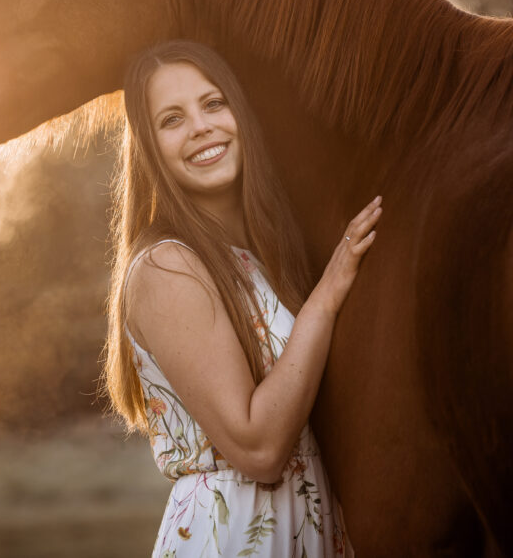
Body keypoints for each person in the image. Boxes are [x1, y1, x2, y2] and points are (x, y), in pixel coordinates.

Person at [101, 40, 380, 557]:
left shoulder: (266, 254)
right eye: (171, 119)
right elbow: (259, 448)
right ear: (149, 149)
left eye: (213, 103)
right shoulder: (167, 266)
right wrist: (329, 293)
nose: (201, 127)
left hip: (310, 529)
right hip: (232, 537)